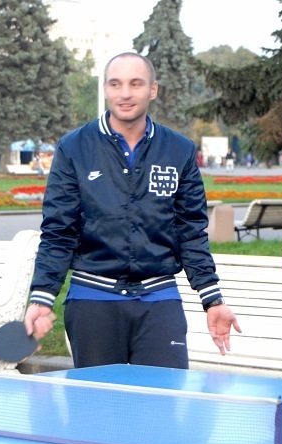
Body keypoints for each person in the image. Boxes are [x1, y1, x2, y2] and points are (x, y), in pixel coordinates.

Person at [24, 52, 241, 369]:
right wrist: (42, 296)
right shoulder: (73, 147)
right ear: (105, 89)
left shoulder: (179, 150)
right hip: (92, 299)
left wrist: (213, 299)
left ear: (153, 90)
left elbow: (191, 231)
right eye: (116, 84)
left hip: (159, 298)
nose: (125, 93)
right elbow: (59, 231)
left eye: (135, 84)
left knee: (163, 397)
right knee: (98, 400)